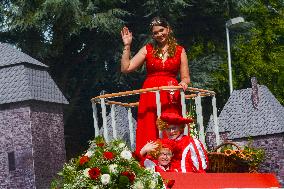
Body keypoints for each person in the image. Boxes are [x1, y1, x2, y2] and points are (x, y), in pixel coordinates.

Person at [120, 17, 191, 153]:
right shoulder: (148, 49)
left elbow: (186, 77)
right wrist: (127, 45)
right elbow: (126, 68)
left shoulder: (180, 50)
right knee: (149, 126)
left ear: (168, 30)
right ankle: (148, 161)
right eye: (155, 33)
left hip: (171, 94)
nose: (159, 34)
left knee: (171, 126)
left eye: (161, 30)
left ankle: (174, 160)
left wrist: (183, 83)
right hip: (150, 95)